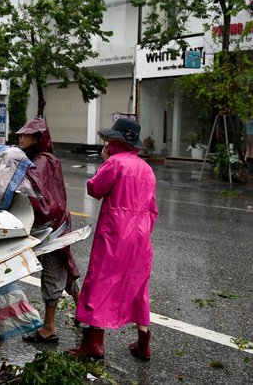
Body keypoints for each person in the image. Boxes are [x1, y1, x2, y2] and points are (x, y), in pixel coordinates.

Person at [0, 116, 81, 344]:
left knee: (56, 270)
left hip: (53, 225)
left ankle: (50, 327)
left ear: (38, 138)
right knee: (63, 268)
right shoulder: (23, 157)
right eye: (19, 134)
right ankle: (82, 312)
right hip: (42, 223)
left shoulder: (44, 161)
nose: (20, 137)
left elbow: (39, 193)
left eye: (25, 134)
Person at [67, 117, 158, 361]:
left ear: (116, 141)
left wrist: (106, 162)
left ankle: (94, 344)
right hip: (141, 236)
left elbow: (95, 189)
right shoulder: (147, 169)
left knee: (101, 281)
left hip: (115, 233)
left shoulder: (115, 163)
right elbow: (152, 208)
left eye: (109, 140)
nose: (106, 143)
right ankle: (143, 344)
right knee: (139, 286)